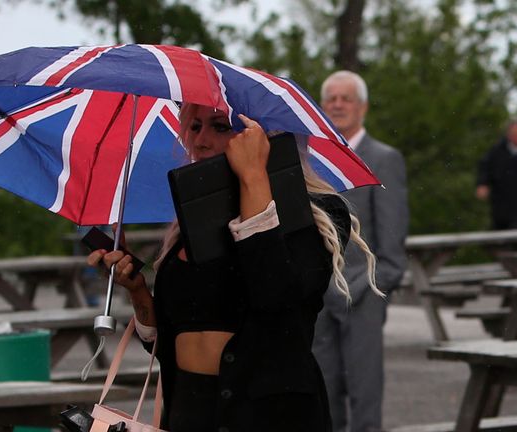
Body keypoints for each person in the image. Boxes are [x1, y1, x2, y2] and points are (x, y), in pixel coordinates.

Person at [88, 103, 381, 431]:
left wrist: (254, 176)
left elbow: (276, 299)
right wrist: (138, 289)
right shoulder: (188, 226)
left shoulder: (315, 212)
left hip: (268, 416)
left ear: (264, 136)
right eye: (195, 127)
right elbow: (171, 341)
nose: (201, 140)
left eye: (220, 126)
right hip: (190, 410)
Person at [312, 70, 409, 432]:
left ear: (363, 107)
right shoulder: (312, 158)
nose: (337, 105)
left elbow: (392, 240)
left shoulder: (384, 159)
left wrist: (370, 288)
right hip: (318, 297)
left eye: (346, 98)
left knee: (364, 396)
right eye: (331, 99)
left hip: (365, 293)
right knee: (323, 393)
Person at [476, 120, 517, 229]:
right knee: (499, 229)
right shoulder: (497, 150)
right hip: (500, 200)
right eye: (514, 134)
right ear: (508, 134)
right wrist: (482, 184)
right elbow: (485, 167)